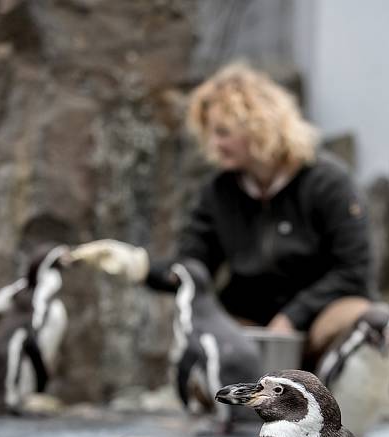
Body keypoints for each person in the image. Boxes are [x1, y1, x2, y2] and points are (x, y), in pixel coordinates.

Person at [149, 61, 375, 366]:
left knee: (364, 318)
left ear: (257, 127)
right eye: (210, 133)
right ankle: (225, 403)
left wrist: (293, 317)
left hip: (320, 314)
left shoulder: (327, 182)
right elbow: (194, 268)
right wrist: (137, 266)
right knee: (206, 331)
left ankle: (337, 403)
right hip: (251, 321)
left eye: (223, 132)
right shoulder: (219, 192)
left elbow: (354, 270)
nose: (214, 145)